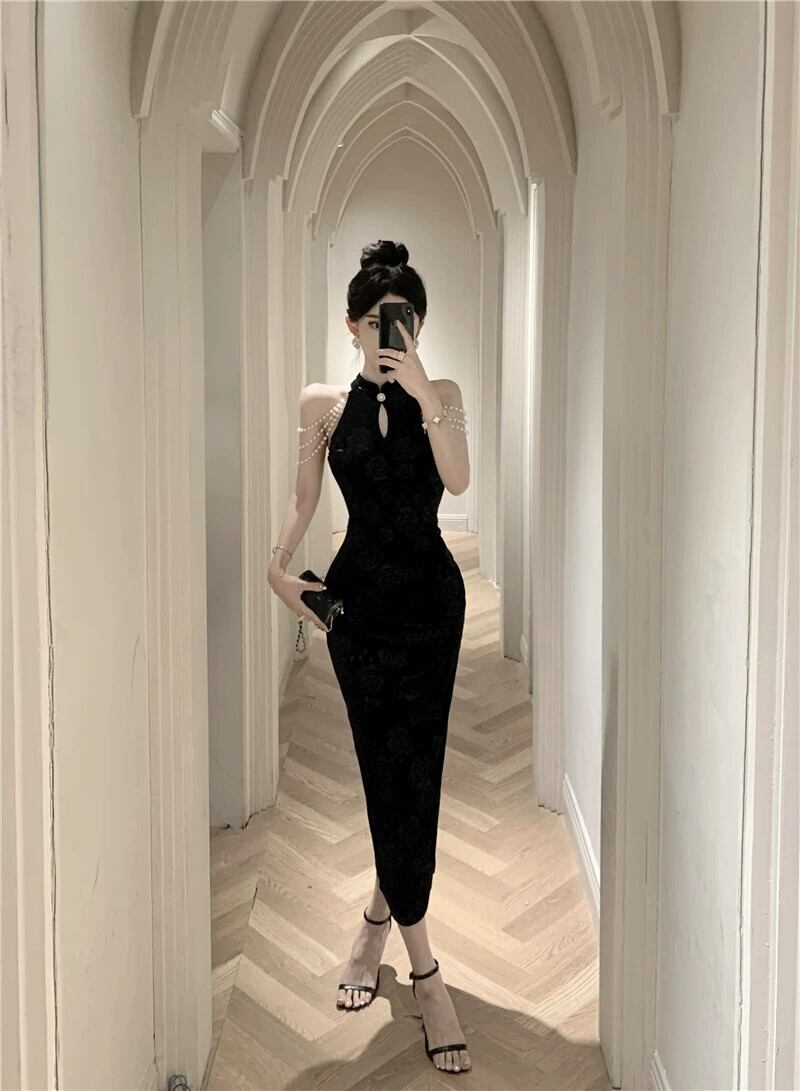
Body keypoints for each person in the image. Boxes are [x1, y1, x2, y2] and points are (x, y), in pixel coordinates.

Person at [268, 239, 472, 1075]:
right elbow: (304, 497)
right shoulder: (321, 403)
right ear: (351, 324)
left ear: (419, 324)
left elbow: (458, 482)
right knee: (383, 769)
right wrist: (278, 566)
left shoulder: (442, 394)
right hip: (356, 611)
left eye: (408, 320)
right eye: (381, 320)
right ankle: (411, 954)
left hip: (432, 610)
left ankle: (405, 950)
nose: (394, 332)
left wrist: (421, 388)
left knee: (415, 772)